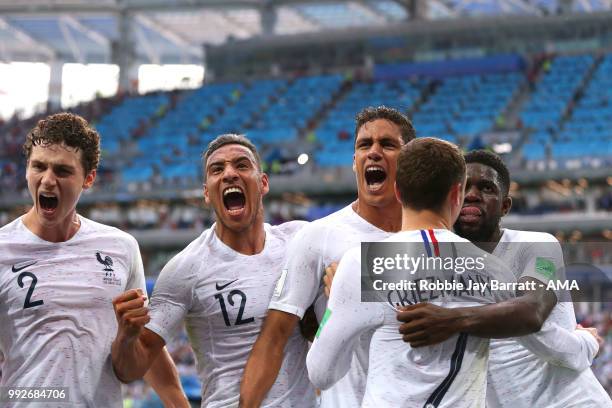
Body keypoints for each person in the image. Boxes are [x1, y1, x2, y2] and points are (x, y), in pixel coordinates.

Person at [306, 137, 518, 407]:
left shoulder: (363, 263)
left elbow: (322, 373)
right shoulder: (496, 270)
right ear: (457, 194)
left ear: (397, 191)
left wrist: (338, 300)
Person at [111, 134, 316, 407]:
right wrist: (126, 337)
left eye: (242, 165)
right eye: (217, 170)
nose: (230, 174)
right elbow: (131, 368)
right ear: (207, 192)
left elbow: (367, 285)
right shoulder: (187, 268)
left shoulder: (299, 241)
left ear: (263, 183)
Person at [0, 113, 187, 407]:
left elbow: (131, 368)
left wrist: (127, 338)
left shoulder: (121, 248)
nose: (47, 180)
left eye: (62, 171)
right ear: (26, 170)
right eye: (38, 167)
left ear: (88, 178)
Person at [240, 106, 416, 408]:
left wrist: (351, 293)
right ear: (354, 162)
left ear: (411, 161)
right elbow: (274, 338)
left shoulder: (436, 241)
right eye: (364, 145)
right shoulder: (318, 237)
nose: (373, 152)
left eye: (387, 144)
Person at [453, 150, 611, 407]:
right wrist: (583, 344)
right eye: (463, 187)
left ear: (505, 206)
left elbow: (530, 313)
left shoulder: (538, 245)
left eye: (486, 188)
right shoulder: (436, 263)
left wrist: (585, 345)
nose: (471, 195)